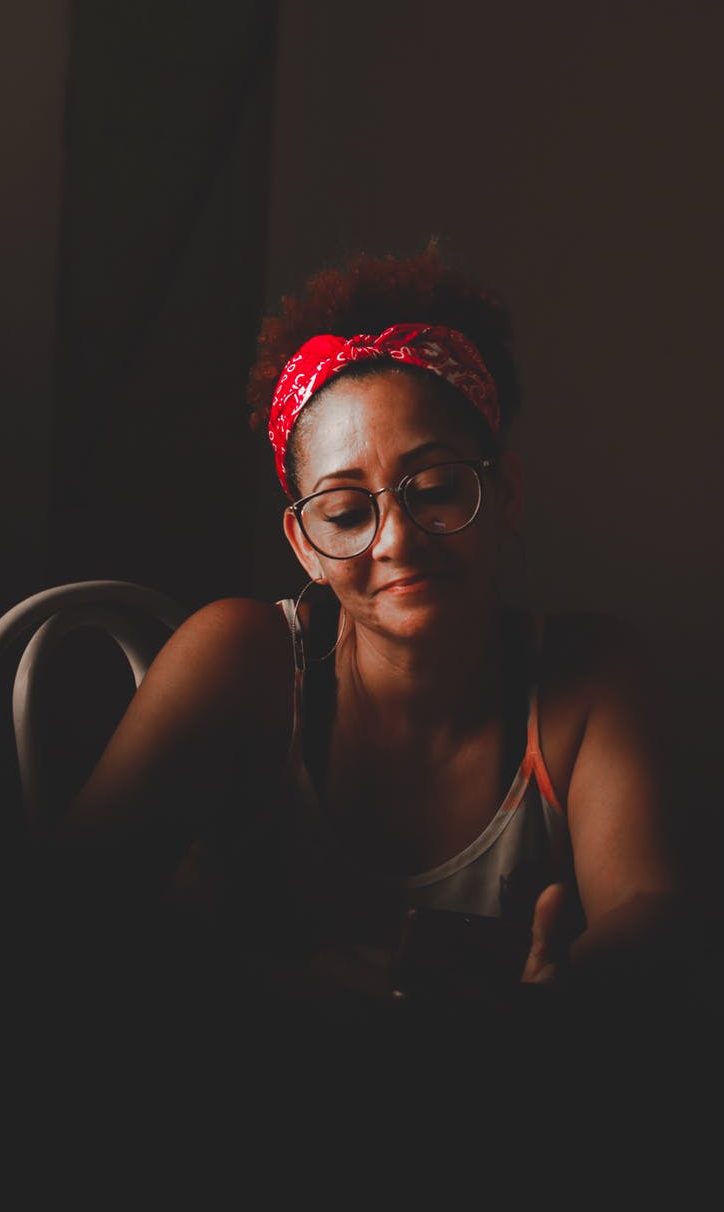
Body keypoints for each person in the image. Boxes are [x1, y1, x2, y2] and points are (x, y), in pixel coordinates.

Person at [51, 243, 688, 1052]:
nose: (396, 541)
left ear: (506, 494)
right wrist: (270, 994)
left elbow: (649, 910)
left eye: (434, 489)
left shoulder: (591, 677)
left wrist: (568, 997)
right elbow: (61, 914)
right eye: (346, 511)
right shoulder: (239, 658)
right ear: (303, 544)